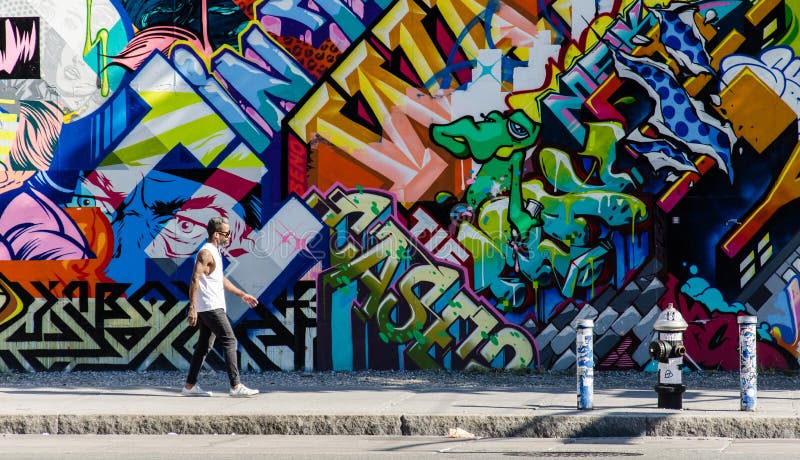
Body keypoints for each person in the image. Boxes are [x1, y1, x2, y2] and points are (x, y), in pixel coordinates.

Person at [182, 216, 260, 397]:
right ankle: (235, 386)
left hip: (211, 306)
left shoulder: (214, 253)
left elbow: (220, 279)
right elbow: (195, 278)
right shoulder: (206, 253)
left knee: (203, 346)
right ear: (216, 234)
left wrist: (242, 294)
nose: (229, 237)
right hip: (210, 306)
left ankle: (189, 386)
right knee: (230, 340)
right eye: (227, 234)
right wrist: (192, 307)